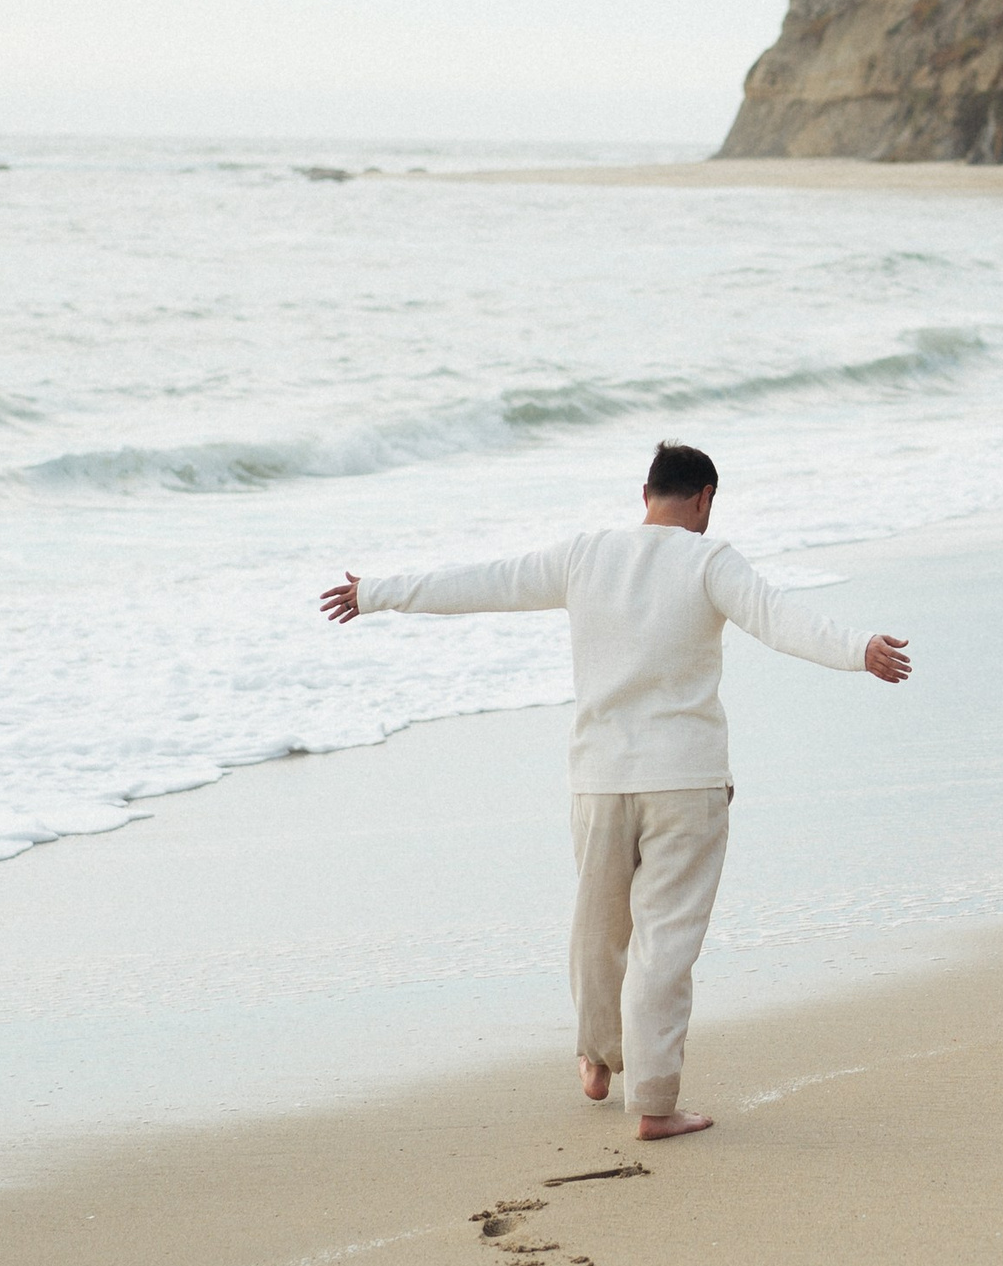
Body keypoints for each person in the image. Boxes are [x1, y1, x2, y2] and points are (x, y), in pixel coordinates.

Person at [321, 441, 910, 1139]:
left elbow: (483, 581)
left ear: (645, 495)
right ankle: (655, 1103)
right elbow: (781, 619)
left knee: (598, 928)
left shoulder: (585, 556)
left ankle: (597, 1059)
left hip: (600, 781)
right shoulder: (710, 560)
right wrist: (858, 649)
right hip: (685, 781)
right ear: (704, 499)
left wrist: (375, 592)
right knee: (665, 941)